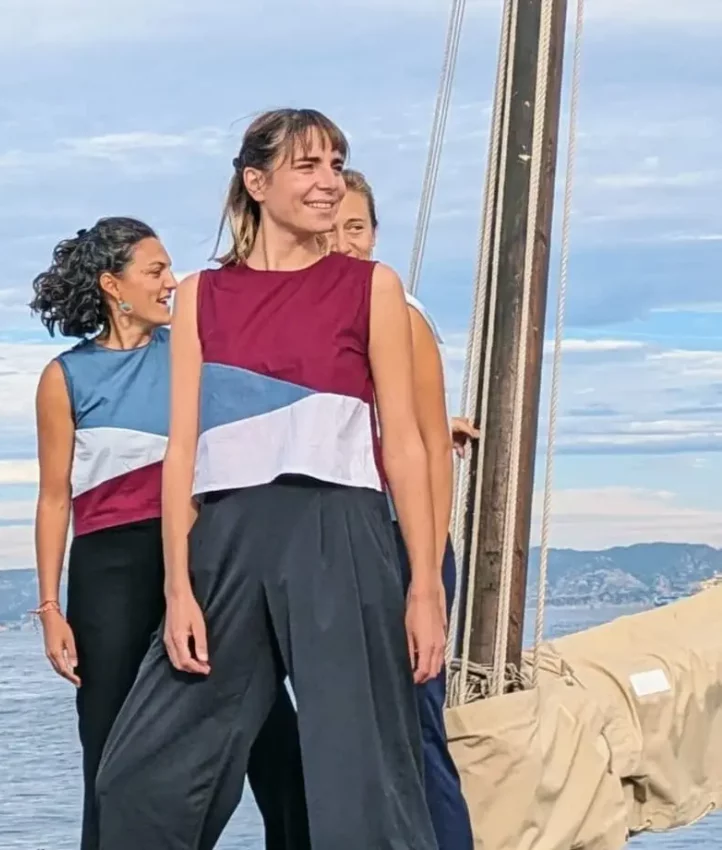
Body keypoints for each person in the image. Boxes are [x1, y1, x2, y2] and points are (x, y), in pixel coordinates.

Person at [95, 109, 444, 849]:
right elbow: (181, 450)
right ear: (256, 182)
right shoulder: (201, 295)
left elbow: (407, 447)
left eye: (336, 165)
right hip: (227, 543)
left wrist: (424, 586)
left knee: (363, 788)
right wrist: (179, 587)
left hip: (341, 536)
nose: (329, 183)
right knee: (138, 779)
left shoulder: (372, 287)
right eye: (307, 166)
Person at [29, 216, 308, 850]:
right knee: (106, 749)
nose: (172, 282)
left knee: (268, 730)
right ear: (113, 285)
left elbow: (278, 402)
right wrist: (49, 607)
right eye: (155, 271)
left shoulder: (190, 350)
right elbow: (54, 498)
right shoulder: (65, 377)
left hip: (201, 556)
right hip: (109, 573)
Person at [330, 168, 476, 850]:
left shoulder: (400, 312)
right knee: (357, 735)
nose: (343, 242)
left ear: (375, 234)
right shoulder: (317, 316)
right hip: (340, 539)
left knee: (415, 729)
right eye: (332, 228)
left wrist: (428, 570)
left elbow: (429, 446)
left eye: (356, 227)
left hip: (399, 541)